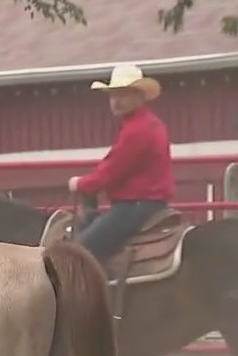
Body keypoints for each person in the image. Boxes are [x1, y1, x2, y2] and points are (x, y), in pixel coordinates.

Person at [68, 64, 176, 262]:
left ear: (139, 96)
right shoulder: (149, 124)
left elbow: (111, 171)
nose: (116, 101)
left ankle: (101, 290)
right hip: (148, 204)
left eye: (123, 94)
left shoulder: (136, 130)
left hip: (134, 207)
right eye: (113, 95)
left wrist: (80, 183)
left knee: (78, 253)